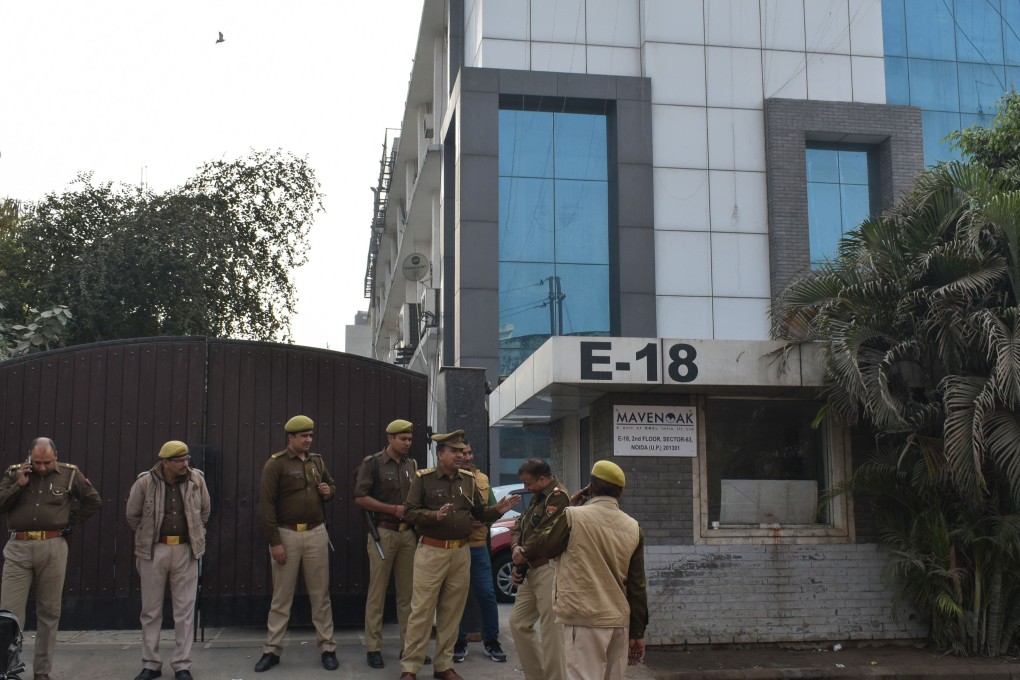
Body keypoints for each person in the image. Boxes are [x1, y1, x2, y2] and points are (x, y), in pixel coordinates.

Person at [398, 433, 520, 680]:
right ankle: (410, 668)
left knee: (452, 612)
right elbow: (409, 513)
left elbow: (478, 511)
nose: (460, 456)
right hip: (432, 551)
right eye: (454, 451)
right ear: (440, 453)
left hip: (462, 552)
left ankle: (443, 666)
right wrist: (434, 517)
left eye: (462, 451)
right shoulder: (424, 480)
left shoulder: (468, 480)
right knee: (421, 611)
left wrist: (497, 510)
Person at [529, 460, 648, 680]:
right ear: (620, 492)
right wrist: (638, 632)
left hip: (583, 620)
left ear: (590, 489)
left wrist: (568, 508)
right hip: (618, 622)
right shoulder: (633, 527)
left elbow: (543, 546)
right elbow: (637, 584)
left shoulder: (573, 516)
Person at [0, 437, 102, 680]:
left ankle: (42, 671)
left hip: (53, 545)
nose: (42, 467)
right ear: (29, 456)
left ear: (56, 456)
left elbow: (93, 500)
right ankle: (8, 669)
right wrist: (19, 485)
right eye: (37, 462)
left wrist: (70, 523)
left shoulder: (69, 474)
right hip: (19, 546)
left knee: (49, 611)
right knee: (9, 614)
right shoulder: (15, 474)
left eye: (47, 462)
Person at [254, 415, 338, 673]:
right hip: (286, 535)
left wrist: (328, 492)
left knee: (320, 595)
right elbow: (266, 505)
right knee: (281, 597)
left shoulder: (317, 461)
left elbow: (331, 484)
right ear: (290, 437)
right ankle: (272, 649)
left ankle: (327, 648)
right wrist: (275, 542)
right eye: (303, 436)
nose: (308, 440)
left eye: (310, 436)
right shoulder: (275, 464)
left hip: (315, 533)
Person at [126, 440, 211, 680]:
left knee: (184, 610)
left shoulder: (197, 480)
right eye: (180, 460)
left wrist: (195, 533)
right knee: (151, 611)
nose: (186, 464)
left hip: (186, 549)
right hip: (154, 551)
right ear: (166, 462)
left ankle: (182, 664)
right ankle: (151, 664)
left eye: (186, 459)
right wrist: (149, 536)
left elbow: (205, 510)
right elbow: (132, 515)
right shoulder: (145, 482)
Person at [353, 419, 421, 670]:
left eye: (410, 439)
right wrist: (392, 509)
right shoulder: (373, 464)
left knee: (408, 595)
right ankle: (373, 648)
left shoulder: (411, 465)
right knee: (377, 593)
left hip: (408, 535)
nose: (407, 443)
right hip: (384, 532)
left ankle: (410, 646)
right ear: (390, 438)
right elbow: (360, 498)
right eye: (402, 439)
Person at [507, 458, 569, 680]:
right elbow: (519, 523)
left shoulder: (558, 498)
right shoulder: (536, 498)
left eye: (529, 483)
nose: (526, 489)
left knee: (552, 631)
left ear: (543, 479)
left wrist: (521, 554)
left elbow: (544, 533)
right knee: (518, 623)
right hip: (530, 570)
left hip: (547, 569)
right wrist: (515, 547)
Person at [452, 439, 506, 664]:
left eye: (470, 452)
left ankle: (491, 641)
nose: (467, 457)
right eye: (463, 453)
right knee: (455, 597)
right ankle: (458, 642)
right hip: (454, 546)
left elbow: (493, 510)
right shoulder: (446, 479)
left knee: (486, 593)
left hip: (477, 547)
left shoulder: (482, 479)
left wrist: (486, 518)